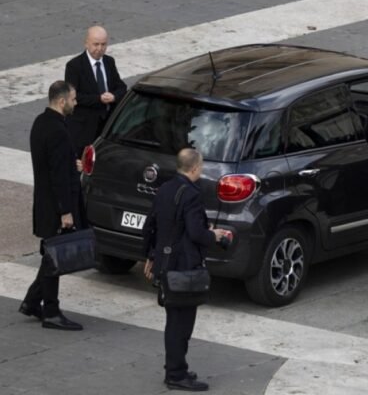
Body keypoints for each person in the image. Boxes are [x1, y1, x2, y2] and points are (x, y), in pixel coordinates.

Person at [142, 148, 228, 392]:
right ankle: (176, 374)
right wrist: (214, 234)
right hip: (183, 266)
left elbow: (152, 225)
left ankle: (175, 368)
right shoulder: (190, 194)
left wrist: (150, 256)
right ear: (194, 168)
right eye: (200, 166)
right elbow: (195, 233)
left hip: (166, 263)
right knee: (182, 322)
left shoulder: (165, 189)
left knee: (173, 319)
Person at [18, 81, 85, 331]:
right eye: (74, 99)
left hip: (45, 202)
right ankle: (51, 311)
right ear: (61, 101)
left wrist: (72, 164)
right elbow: (57, 174)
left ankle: (32, 301)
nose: (75, 103)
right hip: (56, 206)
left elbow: (53, 163)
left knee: (50, 256)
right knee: (54, 258)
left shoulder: (41, 122)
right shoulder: (57, 130)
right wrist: (65, 211)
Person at [64, 25, 127, 156]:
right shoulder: (74, 66)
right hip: (85, 127)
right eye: (96, 44)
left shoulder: (109, 62)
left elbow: (121, 87)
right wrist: (99, 99)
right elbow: (74, 97)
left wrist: (114, 96)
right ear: (86, 43)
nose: (100, 49)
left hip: (106, 125)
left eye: (103, 44)